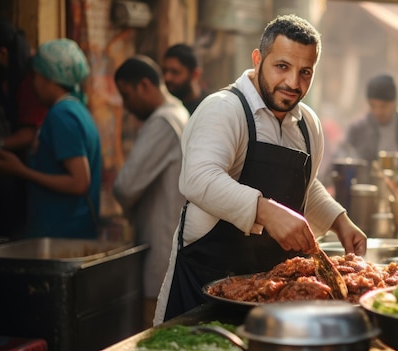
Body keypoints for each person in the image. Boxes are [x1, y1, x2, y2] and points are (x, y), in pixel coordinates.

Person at [155, 14, 367, 323]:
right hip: (202, 289)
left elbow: (307, 186)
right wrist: (266, 212)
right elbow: (198, 179)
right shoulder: (224, 110)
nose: (293, 83)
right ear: (258, 59)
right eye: (282, 67)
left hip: (273, 295)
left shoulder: (308, 125)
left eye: (305, 72)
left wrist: (340, 221)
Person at [0, 38, 102, 239]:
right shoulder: (77, 110)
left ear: (47, 78)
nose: (33, 84)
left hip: (61, 233)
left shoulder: (62, 114)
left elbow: (79, 182)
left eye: (35, 77)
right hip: (68, 232)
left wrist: (21, 170)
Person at [112, 55, 189, 327]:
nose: (126, 105)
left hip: (160, 250)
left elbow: (125, 185)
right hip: (172, 242)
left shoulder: (163, 121)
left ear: (144, 85)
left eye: (127, 95)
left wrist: (126, 209)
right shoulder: (178, 111)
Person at [0, 18, 48, 238]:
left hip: (22, 175)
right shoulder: (3, 79)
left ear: (2, 53)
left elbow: (28, 135)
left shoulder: (30, 78)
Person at [342, 74, 398, 164]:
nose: (378, 112)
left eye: (383, 106)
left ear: (394, 103)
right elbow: (343, 156)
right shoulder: (357, 128)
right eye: (373, 106)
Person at [161, 43, 208, 114]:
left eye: (175, 72)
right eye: (164, 71)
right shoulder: (162, 107)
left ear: (195, 74)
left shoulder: (208, 106)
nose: (167, 78)